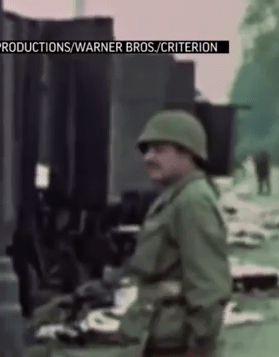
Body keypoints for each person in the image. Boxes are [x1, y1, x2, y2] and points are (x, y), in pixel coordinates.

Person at [88, 110, 231, 357]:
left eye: (159, 150)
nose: (149, 158)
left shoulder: (193, 201)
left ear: (187, 153)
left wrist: (200, 347)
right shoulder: (175, 197)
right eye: (147, 151)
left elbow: (209, 286)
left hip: (177, 342)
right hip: (161, 333)